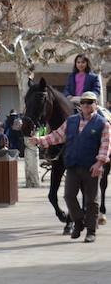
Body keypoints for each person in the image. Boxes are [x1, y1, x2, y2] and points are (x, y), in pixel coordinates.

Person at [27, 91, 110, 243]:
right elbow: (57, 136)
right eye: (84, 102)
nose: (86, 105)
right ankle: (78, 221)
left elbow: (105, 146)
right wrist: (39, 140)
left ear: (95, 104)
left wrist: (100, 163)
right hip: (72, 164)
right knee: (68, 196)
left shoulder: (102, 124)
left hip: (91, 166)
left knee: (92, 200)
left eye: (90, 102)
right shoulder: (71, 121)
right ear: (81, 105)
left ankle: (91, 231)